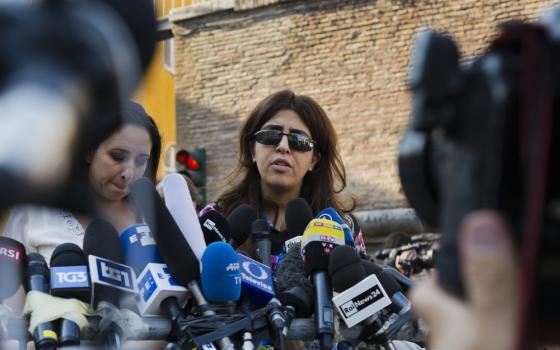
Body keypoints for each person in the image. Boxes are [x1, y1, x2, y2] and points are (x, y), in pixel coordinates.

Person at [1, 101, 161, 263]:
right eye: (117, 156)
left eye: (141, 161)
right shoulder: (34, 213)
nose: (129, 173)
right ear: (88, 151)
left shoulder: (156, 218)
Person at [214, 89, 366, 259]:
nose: (283, 146)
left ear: (314, 159)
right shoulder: (216, 219)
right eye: (271, 135)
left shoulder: (343, 227)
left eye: (299, 141)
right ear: (252, 150)